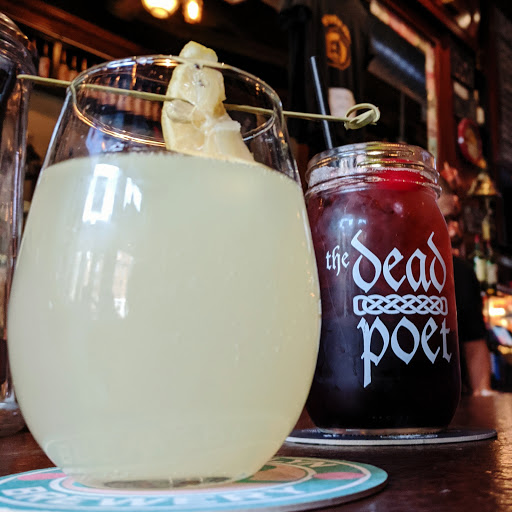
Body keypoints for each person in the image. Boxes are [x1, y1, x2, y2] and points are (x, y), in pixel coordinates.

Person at [438, 171, 494, 396]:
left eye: (453, 219)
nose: (452, 230)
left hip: (453, 401)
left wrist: (483, 392)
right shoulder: (380, 271)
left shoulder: (460, 272)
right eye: (443, 220)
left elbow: (474, 344)